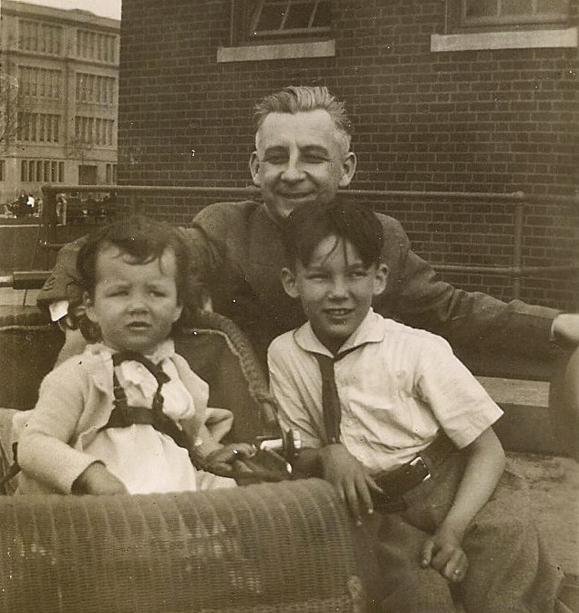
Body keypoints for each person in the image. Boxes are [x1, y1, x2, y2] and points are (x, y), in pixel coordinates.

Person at [38, 85, 579, 367]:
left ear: (346, 169)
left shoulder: (378, 235)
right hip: (249, 416)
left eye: (313, 157)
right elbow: (101, 249)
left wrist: (556, 323)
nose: (292, 174)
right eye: (277, 156)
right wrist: (71, 319)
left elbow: (452, 308)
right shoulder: (223, 228)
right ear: (256, 169)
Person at [267, 200, 563, 613]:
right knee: (417, 597)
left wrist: (454, 529)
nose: (339, 293)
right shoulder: (285, 354)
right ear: (291, 281)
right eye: (319, 277)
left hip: (462, 492)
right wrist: (329, 454)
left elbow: (487, 450)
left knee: (502, 585)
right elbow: (299, 452)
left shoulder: (417, 349)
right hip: (380, 512)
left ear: (380, 278)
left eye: (356, 275)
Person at [16, 216, 255, 495]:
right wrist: (89, 474)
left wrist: (211, 453)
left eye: (156, 293)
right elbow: (34, 443)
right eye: (120, 293)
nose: (138, 306)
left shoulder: (177, 371)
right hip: (104, 508)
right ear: (91, 307)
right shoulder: (80, 374)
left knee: (236, 494)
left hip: (176, 501)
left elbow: (191, 431)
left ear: (177, 307)